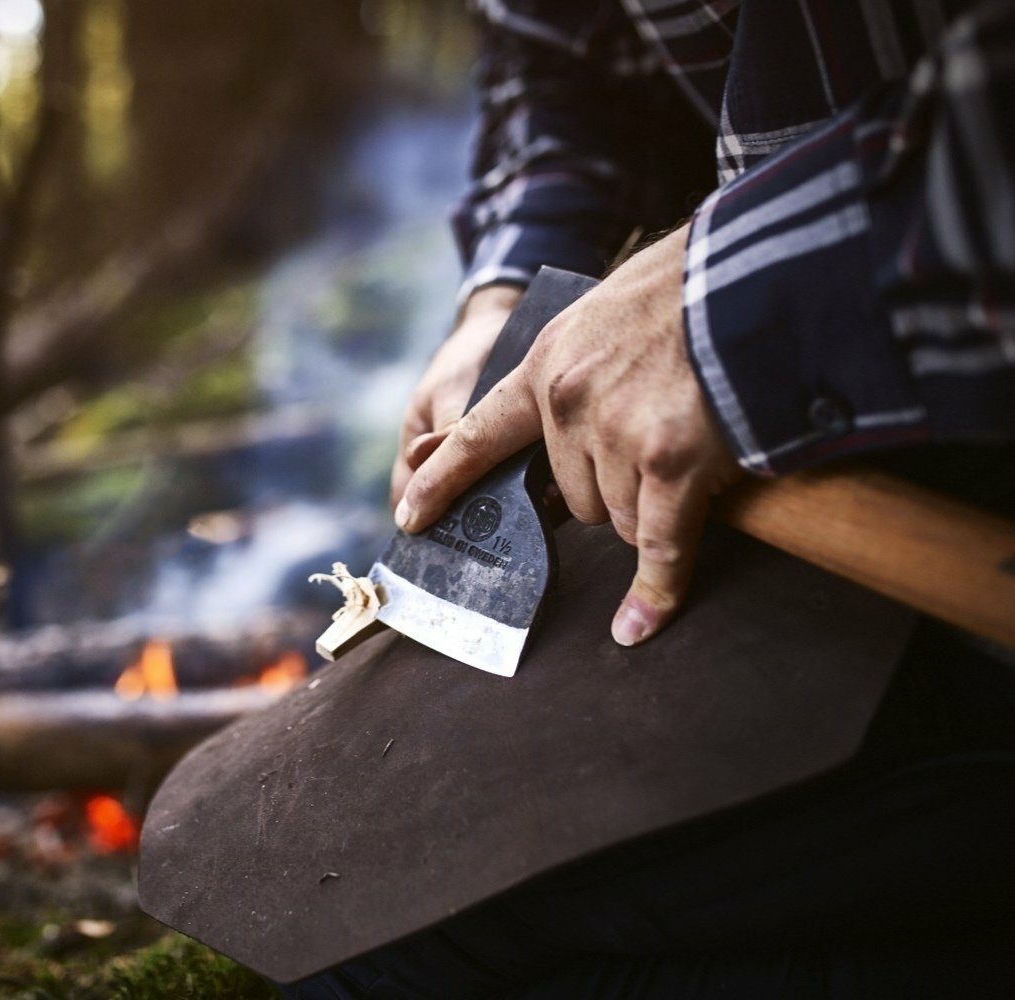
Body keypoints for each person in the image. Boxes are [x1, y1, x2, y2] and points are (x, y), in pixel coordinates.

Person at [286, 1, 1015, 996]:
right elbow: (566, 60)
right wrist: (506, 301)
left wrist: (725, 297)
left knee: (385, 947)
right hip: (801, 491)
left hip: (965, 512)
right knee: (322, 904)